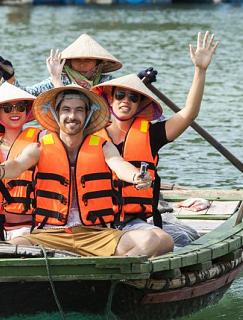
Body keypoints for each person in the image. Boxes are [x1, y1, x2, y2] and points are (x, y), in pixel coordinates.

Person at [0, 85, 173, 257]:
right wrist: (0, 171)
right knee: (5, 250)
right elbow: (18, 165)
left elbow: (120, 165)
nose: (72, 116)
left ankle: (114, 271)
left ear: (88, 115)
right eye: (66, 110)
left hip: (95, 235)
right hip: (49, 234)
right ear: (56, 114)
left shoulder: (103, 146)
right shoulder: (39, 147)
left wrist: (136, 176)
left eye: (79, 110)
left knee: (157, 241)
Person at [91, 31, 218, 247]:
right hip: (96, 221)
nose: (126, 101)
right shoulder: (91, 134)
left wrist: (200, 70)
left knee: (171, 241)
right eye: (120, 96)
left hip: (136, 221)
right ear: (110, 99)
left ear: (140, 105)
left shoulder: (151, 134)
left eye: (133, 97)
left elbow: (189, 113)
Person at [0, 82, 39, 240]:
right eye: (7, 108)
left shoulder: (40, 138)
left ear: (27, 111)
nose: (14, 112)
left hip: (28, 226)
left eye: (20, 107)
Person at [0, 33, 122, 96]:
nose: (82, 64)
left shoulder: (107, 82)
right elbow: (28, 93)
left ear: (98, 63)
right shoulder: (59, 79)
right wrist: (10, 76)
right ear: (69, 62)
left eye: (87, 60)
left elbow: (124, 98)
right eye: (78, 60)